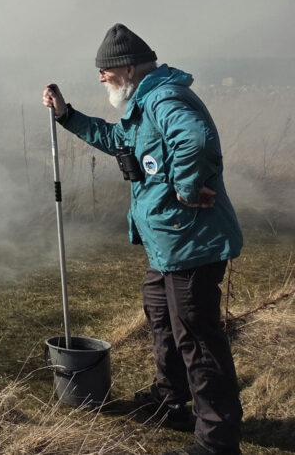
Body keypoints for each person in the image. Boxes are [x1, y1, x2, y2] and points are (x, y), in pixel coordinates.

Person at [43, 24, 244, 455]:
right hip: (168, 246)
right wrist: (67, 116)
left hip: (191, 244)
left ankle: (217, 440)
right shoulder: (144, 104)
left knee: (198, 338)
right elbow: (118, 140)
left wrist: (187, 191)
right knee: (159, 312)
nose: (100, 77)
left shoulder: (166, 98)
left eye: (105, 70)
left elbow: (194, 139)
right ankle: (170, 400)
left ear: (127, 67)